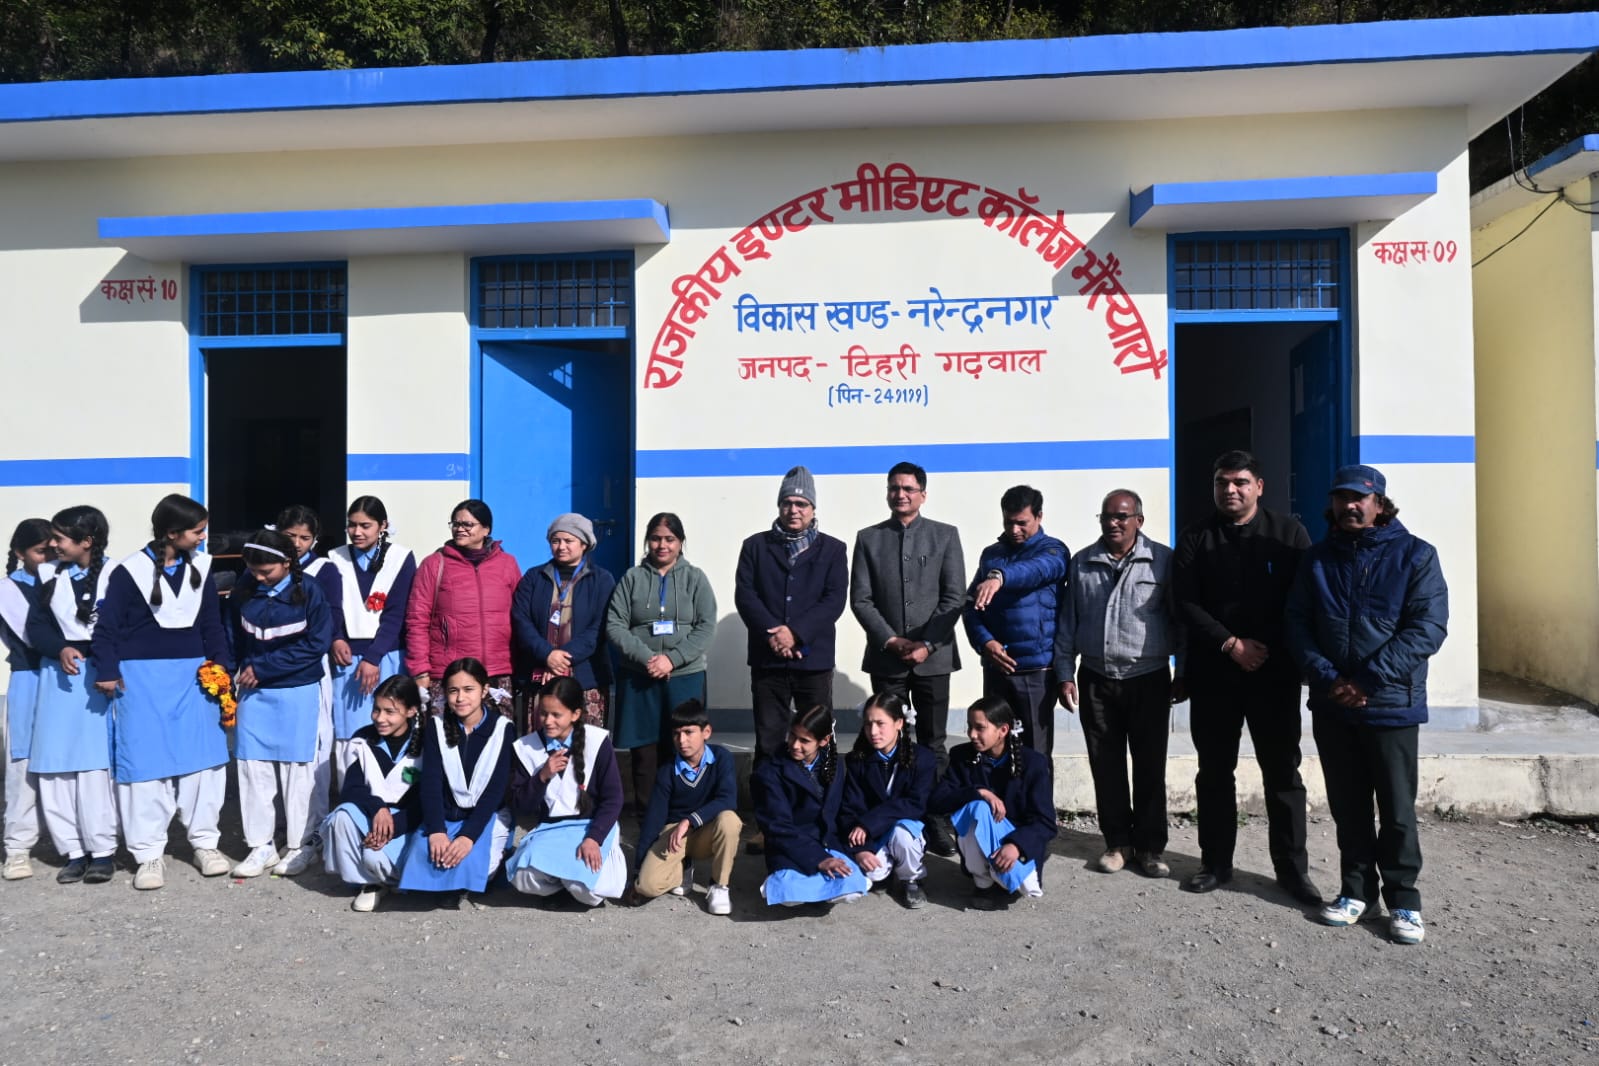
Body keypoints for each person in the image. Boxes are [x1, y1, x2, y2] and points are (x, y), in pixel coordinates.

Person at [1286, 465, 1448, 945]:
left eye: (1360, 498)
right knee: (1348, 806)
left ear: (1380, 504)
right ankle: (1356, 892)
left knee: (1396, 809)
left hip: (1391, 704)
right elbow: (1296, 623)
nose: (1350, 505)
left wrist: (1368, 681)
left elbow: (1427, 628)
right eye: (1342, 498)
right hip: (1334, 705)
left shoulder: (1416, 555)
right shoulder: (1317, 560)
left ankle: (1404, 901)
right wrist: (1329, 678)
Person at [1173, 450, 1319, 904]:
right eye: (1222, 482)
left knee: (1283, 773)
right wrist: (1231, 644)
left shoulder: (1288, 535)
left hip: (1274, 675)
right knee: (1215, 772)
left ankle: (1292, 871)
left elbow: (1302, 600)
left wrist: (1264, 648)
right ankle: (1215, 863)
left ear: (1259, 486)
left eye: (1239, 482)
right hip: (1215, 675)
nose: (1230, 490)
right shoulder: (1196, 536)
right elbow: (1186, 602)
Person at [93, 494, 232, 891]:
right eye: (197, 531)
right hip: (140, 680)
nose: (203, 538)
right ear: (172, 533)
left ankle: (205, 843)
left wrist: (222, 665)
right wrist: (107, 669)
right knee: (145, 766)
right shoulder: (128, 571)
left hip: (194, 677)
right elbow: (108, 626)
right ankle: (149, 853)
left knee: (203, 762)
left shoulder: (202, 567)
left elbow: (212, 624)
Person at [1053, 489, 1184, 878]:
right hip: (1096, 678)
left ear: (1138, 521)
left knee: (1149, 766)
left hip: (1148, 678)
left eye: (1122, 516)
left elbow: (1179, 620)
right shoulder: (1082, 563)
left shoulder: (1162, 561)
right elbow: (1068, 622)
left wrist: (1184, 670)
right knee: (1105, 765)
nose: (1113, 523)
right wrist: (1064, 673)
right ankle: (1117, 843)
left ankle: (1150, 848)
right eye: (1107, 516)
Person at [850, 461, 966, 856]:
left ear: (923, 494)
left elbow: (954, 597)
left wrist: (927, 644)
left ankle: (935, 816)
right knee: (887, 739)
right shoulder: (869, 538)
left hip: (934, 659)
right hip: (887, 659)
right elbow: (861, 599)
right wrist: (891, 640)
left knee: (933, 742)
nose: (900, 494)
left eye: (908, 489)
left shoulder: (945, 536)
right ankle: (888, 815)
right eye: (894, 488)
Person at [226, 529, 334, 878]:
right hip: (254, 693)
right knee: (252, 768)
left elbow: (316, 644)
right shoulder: (244, 590)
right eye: (252, 570)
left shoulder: (311, 591)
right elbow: (233, 637)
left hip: (297, 690)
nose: (258, 577)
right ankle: (261, 845)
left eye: (266, 571)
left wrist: (265, 668)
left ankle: (302, 844)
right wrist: (227, 673)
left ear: (287, 563)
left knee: (297, 771)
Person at [25, 508, 117, 886]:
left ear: (86, 542)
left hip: (99, 676)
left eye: (59, 538)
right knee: (56, 765)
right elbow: (36, 627)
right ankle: (73, 851)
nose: (53, 544)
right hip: (59, 677)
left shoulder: (117, 574)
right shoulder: (48, 575)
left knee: (95, 766)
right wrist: (59, 648)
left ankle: (103, 849)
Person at [733, 465, 849, 763]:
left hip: (813, 660)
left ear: (813, 508)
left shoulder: (834, 550)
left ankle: (819, 791)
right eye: (787, 503)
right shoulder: (755, 547)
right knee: (769, 739)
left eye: (801, 504)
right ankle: (769, 793)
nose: (793, 510)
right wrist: (774, 633)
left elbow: (834, 600)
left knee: (817, 738)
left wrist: (795, 633)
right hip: (768, 659)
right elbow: (746, 595)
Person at [605, 513, 717, 813]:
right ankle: (648, 820)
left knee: (683, 745)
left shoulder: (695, 578)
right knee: (644, 752)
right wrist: (648, 659)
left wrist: (672, 659)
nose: (662, 545)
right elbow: (615, 625)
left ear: (681, 542)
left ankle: (681, 817)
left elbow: (706, 626)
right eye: (655, 538)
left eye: (670, 539)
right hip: (639, 677)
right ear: (647, 541)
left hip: (685, 676)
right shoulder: (632, 578)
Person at [395, 657, 513, 902]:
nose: (460, 698)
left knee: (479, 867)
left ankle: (499, 857)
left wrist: (468, 836)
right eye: (453, 691)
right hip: (447, 815)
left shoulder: (503, 729)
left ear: (485, 690)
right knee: (426, 858)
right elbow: (431, 784)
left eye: (469, 689)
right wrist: (437, 831)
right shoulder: (436, 727)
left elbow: (495, 790)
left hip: (485, 815)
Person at [963, 485, 1068, 758]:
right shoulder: (991, 554)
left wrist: (1000, 577)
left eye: (1022, 523)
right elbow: (970, 606)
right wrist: (985, 643)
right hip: (996, 668)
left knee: (1034, 753)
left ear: (1039, 516)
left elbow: (1035, 570)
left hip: (1036, 671)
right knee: (994, 749)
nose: (1014, 530)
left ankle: (1037, 790)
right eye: (1008, 522)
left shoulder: (1053, 551)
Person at [505, 677, 628, 907]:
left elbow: (613, 798)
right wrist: (542, 776)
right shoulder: (526, 747)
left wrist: (594, 838)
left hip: (590, 827)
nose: (548, 721)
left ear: (575, 714)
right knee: (523, 877)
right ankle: (560, 886)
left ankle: (569, 883)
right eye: (543, 713)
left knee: (587, 892)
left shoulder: (596, 741)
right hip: (551, 830)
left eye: (556, 715)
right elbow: (521, 805)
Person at [929, 696, 1057, 910]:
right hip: (981, 842)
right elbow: (936, 802)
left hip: (1015, 845)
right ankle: (983, 883)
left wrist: (1016, 846)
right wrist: (979, 792)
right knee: (975, 807)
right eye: (970, 726)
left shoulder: (1033, 763)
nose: (972, 734)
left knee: (1020, 883)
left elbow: (1045, 822)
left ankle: (1013, 873)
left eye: (980, 728)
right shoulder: (962, 756)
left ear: (1003, 730)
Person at [327, 496, 415, 787]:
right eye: (351, 525)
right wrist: (336, 637)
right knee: (349, 732)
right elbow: (332, 607)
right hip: (346, 659)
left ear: (382, 526)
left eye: (365, 525)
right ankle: (351, 794)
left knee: (390, 723)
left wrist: (373, 657)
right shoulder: (335, 557)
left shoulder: (401, 558)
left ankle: (392, 796)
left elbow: (396, 614)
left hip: (386, 656)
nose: (357, 532)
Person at [274, 504, 344, 871]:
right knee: (279, 751)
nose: (298, 543)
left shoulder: (324, 570)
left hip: (310, 666)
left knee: (314, 748)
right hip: (272, 671)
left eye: (305, 537)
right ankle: (283, 824)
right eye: (291, 536)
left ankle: (313, 828)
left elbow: (331, 618)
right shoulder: (263, 567)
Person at [750, 703, 869, 908]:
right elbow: (777, 826)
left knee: (853, 888)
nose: (795, 745)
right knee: (788, 894)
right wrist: (818, 858)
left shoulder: (835, 764)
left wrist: (859, 848)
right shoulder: (768, 771)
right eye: (792, 736)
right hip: (790, 846)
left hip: (829, 843)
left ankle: (821, 890)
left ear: (824, 740)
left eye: (805, 740)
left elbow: (843, 812)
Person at [322, 673, 423, 913]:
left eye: (390, 712)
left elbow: (425, 801)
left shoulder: (426, 743)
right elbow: (352, 788)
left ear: (411, 711)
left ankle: (391, 877)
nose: (380, 718)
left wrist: (391, 828)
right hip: (374, 814)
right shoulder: (363, 739)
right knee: (341, 817)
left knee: (373, 858)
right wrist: (378, 808)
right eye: (377, 710)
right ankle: (368, 883)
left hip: (407, 822)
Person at [406, 498, 521, 704]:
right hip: (449, 672)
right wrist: (420, 670)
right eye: (455, 524)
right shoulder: (434, 564)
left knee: (496, 725)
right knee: (447, 726)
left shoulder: (507, 564)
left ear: (486, 529)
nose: (460, 529)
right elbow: (417, 619)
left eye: (467, 524)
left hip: (497, 672)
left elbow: (520, 617)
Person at [631, 698, 740, 915]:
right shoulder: (667, 770)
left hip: (706, 831)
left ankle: (719, 886)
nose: (682, 740)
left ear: (706, 732)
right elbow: (653, 820)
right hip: (675, 836)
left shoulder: (721, 758)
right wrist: (636, 871)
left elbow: (728, 799)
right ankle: (682, 866)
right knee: (646, 886)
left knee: (730, 820)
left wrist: (689, 820)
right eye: (676, 734)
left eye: (689, 732)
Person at [511, 513, 617, 733]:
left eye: (569, 541)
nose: (561, 547)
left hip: (586, 677)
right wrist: (547, 655)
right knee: (540, 743)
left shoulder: (602, 580)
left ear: (584, 544)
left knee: (585, 745)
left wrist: (563, 659)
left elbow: (599, 628)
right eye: (555, 541)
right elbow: (521, 620)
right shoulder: (534, 577)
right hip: (540, 675)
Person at [839, 692, 935, 909]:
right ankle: (888, 870)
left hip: (904, 829)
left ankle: (911, 879)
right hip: (873, 834)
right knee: (873, 872)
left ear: (899, 723)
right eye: (868, 724)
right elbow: (849, 807)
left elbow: (916, 803)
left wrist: (868, 823)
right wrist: (861, 850)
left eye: (880, 723)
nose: (873, 731)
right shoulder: (857, 760)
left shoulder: (923, 757)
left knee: (903, 836)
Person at [1, 518, 56, 881]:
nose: (49, 557)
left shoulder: (65, 580)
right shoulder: (8, 590)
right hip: (31, 677)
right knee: (23, 764)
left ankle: (83, 844)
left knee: (73, 763)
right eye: (40, 551)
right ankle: (18, 848)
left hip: (67, 679)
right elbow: (35, 638)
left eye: (53, 550)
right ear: (20, 553)